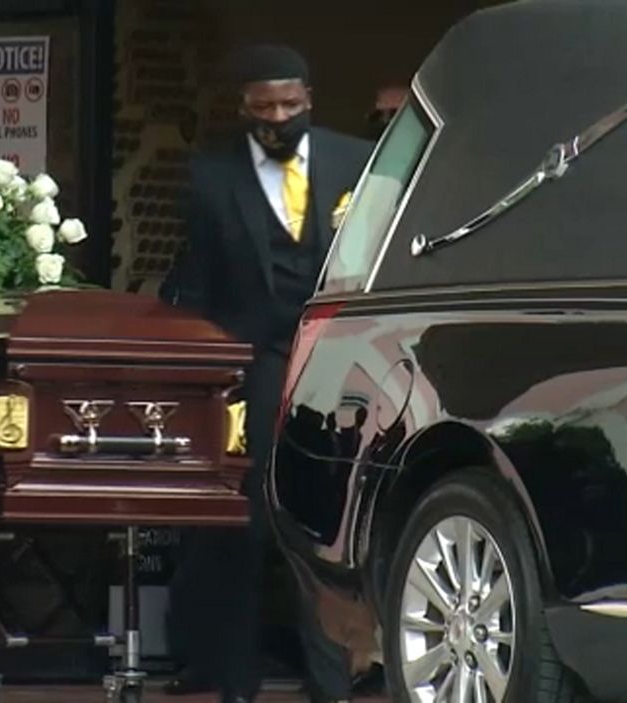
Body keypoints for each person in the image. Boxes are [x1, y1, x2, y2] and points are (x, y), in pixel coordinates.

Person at [162, 45, 372, 703]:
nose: (278, 118)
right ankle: (234, 675)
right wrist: (203, 371)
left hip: (337, 357)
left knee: (328, 516)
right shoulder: (210, 176)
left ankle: (333, 679)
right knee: (247, 518)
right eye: (263, 108)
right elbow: (198, 283)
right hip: (254, 358)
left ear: (309, 98)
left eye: (289, 104)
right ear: (242, 108)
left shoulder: (355, 162)